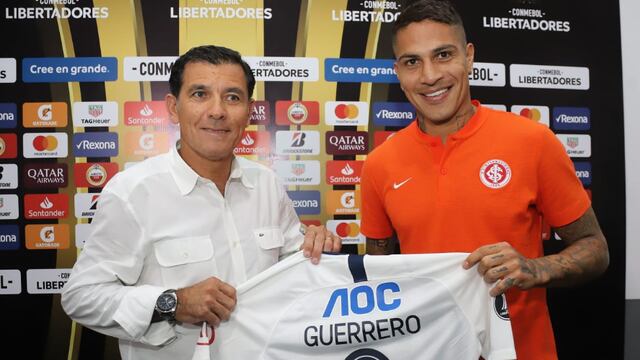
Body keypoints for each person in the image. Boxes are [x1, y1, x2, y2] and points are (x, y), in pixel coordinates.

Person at [360, 1, 609, 359]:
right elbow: (378, 276)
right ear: (397, 72)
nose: (429, 75)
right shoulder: (380, 164)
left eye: (443, 54)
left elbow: (595, 248)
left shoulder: (532, 141)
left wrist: (536, 267)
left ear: (469, 56)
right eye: (412, 61)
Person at [61, 45, 341, 360]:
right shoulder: (133, 192)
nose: (217, 111)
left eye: (232, 97)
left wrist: (318, 247)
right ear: (172, 107)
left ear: (249, 111)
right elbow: (81, 297)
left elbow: (296, 269)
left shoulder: (267, 184)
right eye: (199, 94)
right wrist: (172, 303)